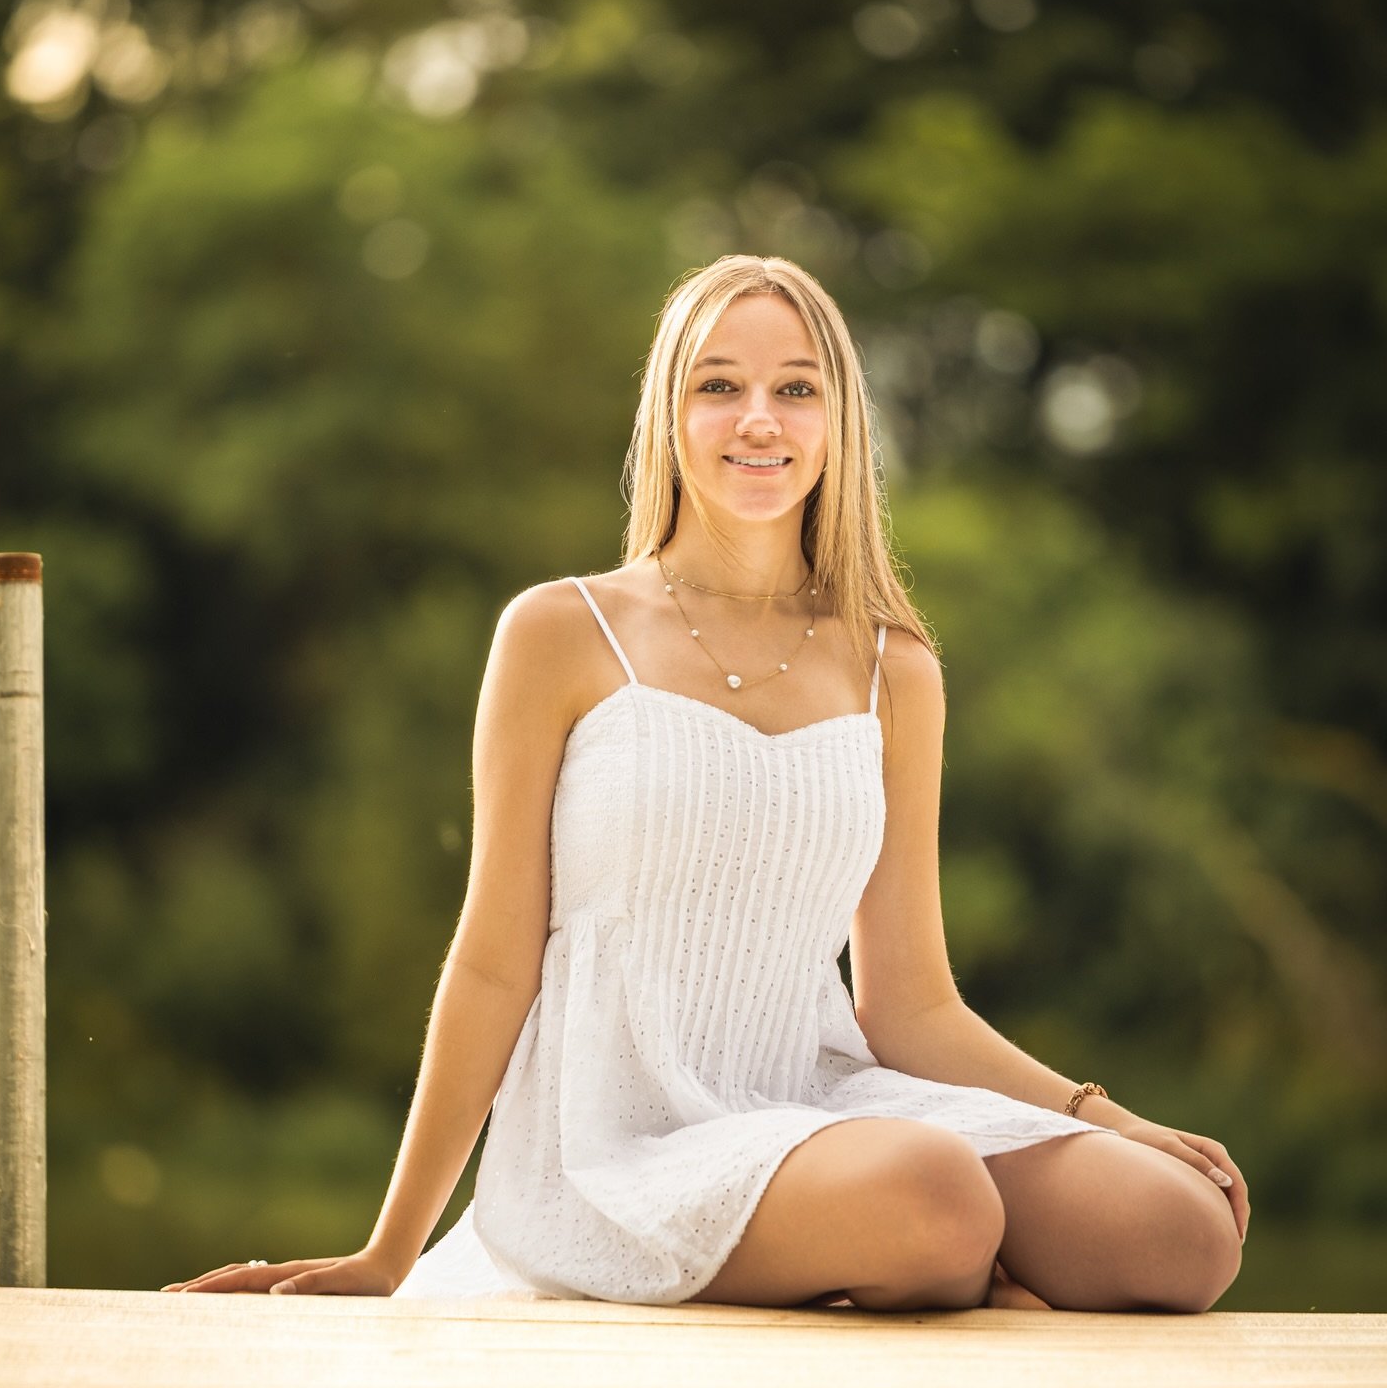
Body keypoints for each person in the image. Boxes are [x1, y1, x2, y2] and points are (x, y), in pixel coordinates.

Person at [163, 254, 1248, 1312]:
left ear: (838, 422)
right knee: (939, 1198)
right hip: (621, 1145)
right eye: (719, 386)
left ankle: (930, 1265)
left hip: (824, 1099)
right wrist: (387, 1252)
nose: (759, 420)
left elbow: (910, 1002)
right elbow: (494, 959)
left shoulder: (894, 669)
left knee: (1182, 1232)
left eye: (795, 389)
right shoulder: (561, 632)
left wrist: (1109, 1119)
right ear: (669, 418)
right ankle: (942, 1263)